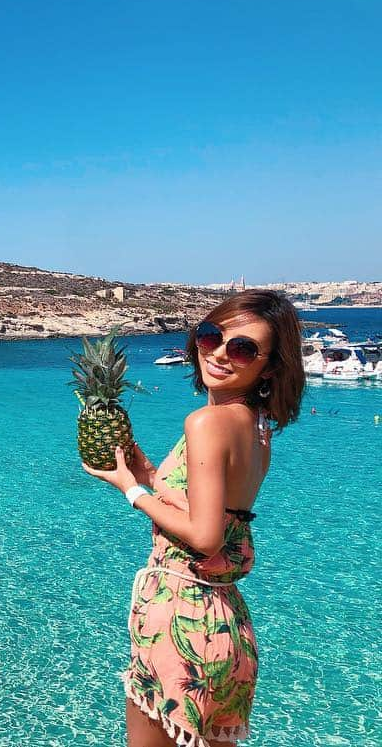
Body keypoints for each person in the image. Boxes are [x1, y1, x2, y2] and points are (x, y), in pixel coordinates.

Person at [81, 290, 305, 747]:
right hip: (229, 628)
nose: (221, 354)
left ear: (270, 366)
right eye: (211, 336)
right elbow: (222, 515)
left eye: (243, 349)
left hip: (182, 618)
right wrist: (148, 475)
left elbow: (204, 536)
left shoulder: (207, 423)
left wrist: (133, 491)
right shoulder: (256, 427)